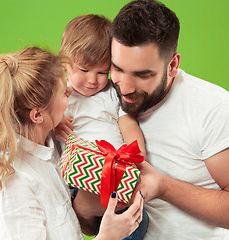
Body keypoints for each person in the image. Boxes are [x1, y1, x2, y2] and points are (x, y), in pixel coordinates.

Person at [109, 0, 229, 239]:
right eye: (117, 68)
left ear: (173, 65)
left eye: (143, 75)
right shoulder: (107, 97)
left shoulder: (214, 109)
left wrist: (163, 186)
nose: (126, 88)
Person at [0, 46, 144, 240]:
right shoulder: (12, 184)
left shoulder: (50, 145)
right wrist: (107, 237)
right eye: (64, 93)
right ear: (37, 115)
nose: (71, 91)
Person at [55, 14, 149, 239]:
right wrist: (55, 122)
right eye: (84, 70)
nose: (92, 80)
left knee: (138, 220)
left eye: (101, 72)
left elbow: (128, 124)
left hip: (118, 173)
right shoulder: (61, 96)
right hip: (82, 179)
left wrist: (136, 156)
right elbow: (42, 123)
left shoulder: (111, 94)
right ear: (65, 64)